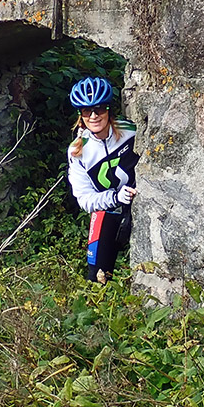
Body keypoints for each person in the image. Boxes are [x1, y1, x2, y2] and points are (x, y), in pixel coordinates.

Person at [66, 76, 138, 283]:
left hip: (138, 200)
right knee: (97, 278)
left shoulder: (130, 131)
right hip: (108, 209)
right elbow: (84, 199)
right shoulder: (77, 151)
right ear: (80, 115)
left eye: (99, 109)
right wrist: (115, 197)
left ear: (108, 110)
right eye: (87, 111)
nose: (94, 116)